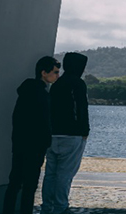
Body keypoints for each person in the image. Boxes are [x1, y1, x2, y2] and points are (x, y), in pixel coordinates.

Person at [3, 56, 60, 214]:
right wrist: (45, 141)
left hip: (20, 144)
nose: (57, 76)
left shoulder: (25, 92)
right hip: (35, 147)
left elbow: (17, 118)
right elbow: (44, 121)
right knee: (29, 186)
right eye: (55, 72)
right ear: (44, 73)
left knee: (14, 183)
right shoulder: (42, 95)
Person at [41, 52, 89, 214]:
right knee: (65, 174)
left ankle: (47, 207)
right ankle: (60, 207)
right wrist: (84, 130)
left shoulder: (57, 83)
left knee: (50, 174)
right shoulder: (78, 83)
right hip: (72, 135)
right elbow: (82, 108)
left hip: (53, 134)